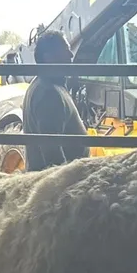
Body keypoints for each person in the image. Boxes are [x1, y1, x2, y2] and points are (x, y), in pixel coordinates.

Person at [21, 30, 89, 171]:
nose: (71, 55)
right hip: (63, 180)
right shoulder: (49, 93)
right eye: (66, 50)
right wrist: (67, 181)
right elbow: (52, 153)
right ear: (49, 58)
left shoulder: (44, 84)